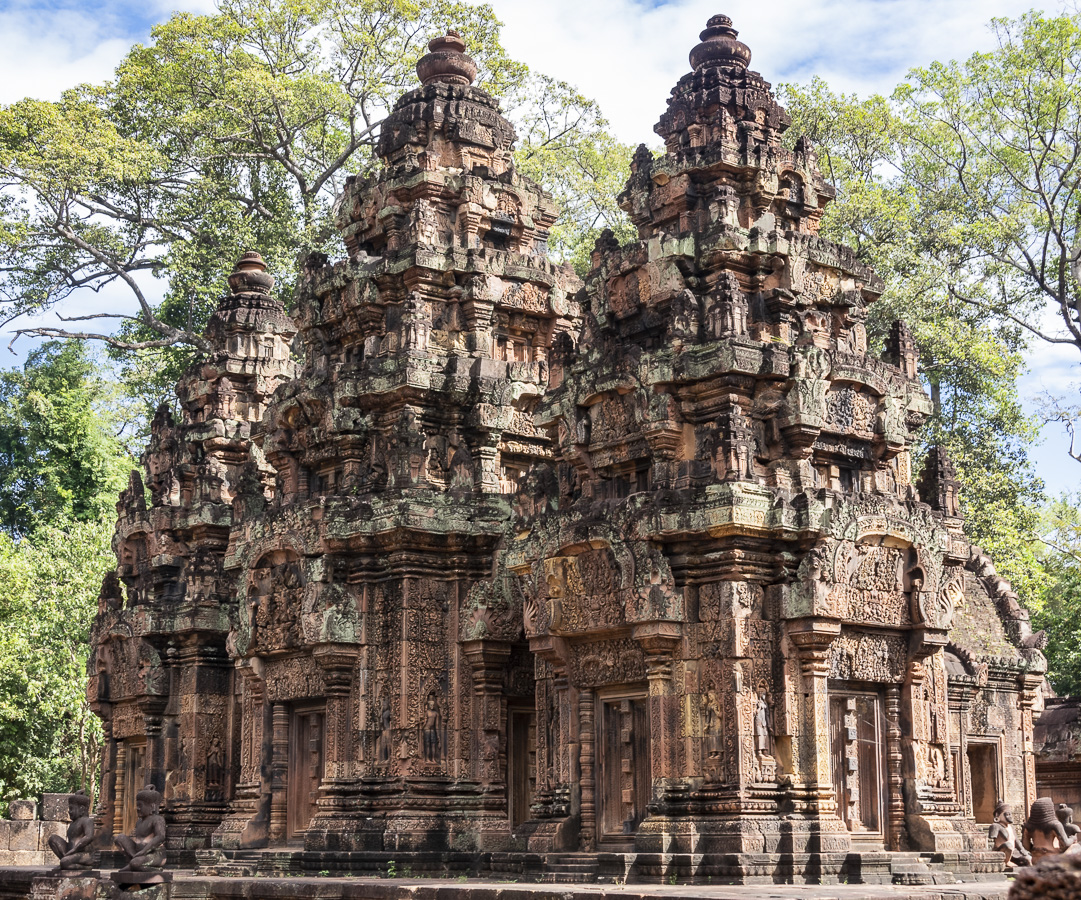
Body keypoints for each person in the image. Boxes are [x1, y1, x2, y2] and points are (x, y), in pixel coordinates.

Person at [115, 784, 167, 871]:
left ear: (152, 806)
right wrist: (138, 852)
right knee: (120, 838)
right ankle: (132, 862)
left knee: (135, 863)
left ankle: (153, 869)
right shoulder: (139, 821)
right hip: (139, 853)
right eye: (137, 806)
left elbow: (160, 837)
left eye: (140, 805)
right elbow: (137, 839)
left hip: (155, 854)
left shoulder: (158, 819)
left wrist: (144, 851)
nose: (138, 808)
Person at [47, 790, 94, 870]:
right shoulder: (73, 823)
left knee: (64, 862)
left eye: (71, 809)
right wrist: (71, 852)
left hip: (84, 854)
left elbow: (89, 837)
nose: (69, 812)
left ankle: (85, 867)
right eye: (69, 809)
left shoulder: (87, 821)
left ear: (82, 809)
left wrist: (75, 849)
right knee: (53, 839)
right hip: (71, 852)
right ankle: (66, 861)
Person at [988, 801, 1030, 867]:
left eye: (1010, 814)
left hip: (1013, 853)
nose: (1009, 816)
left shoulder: (1011, 827)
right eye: (1007, 814)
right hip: (1001, 851)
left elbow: (1016, 841)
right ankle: (1007, 861)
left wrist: (1023, 850)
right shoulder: (995, 826)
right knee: (1008, 845)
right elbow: (991, 840)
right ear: (998, 815)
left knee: (1028, 858)